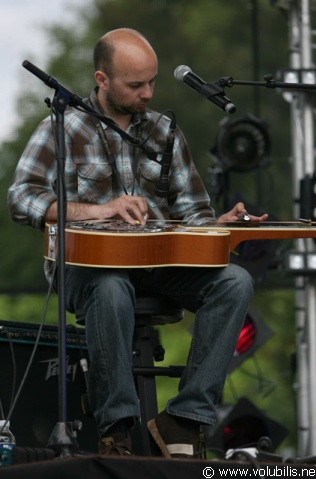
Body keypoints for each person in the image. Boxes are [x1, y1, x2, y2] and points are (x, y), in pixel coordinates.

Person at [7, 28, 268, 458]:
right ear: (102, 79)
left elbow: (193, 211)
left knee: (234, 281)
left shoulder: (164, 131)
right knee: (111, 287)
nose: (147, 93)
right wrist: (98, 210)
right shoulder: (63, 126)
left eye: (152, 82)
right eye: (135, 85)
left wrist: (218, 226)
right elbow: (21, 198)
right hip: (87, 268)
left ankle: (184, 419)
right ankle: (116, 431)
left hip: (159, 265)